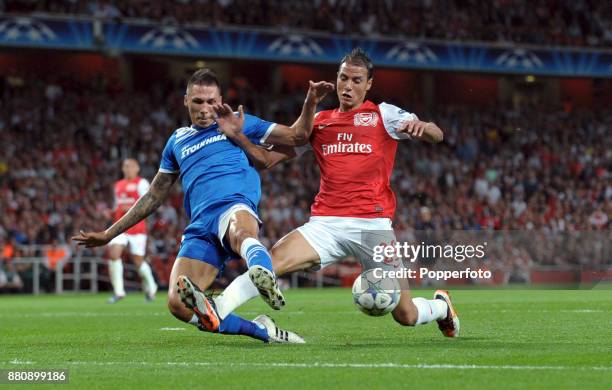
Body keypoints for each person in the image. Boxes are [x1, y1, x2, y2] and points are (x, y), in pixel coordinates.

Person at [205, 48, 460, 338]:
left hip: (373, 227)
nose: (347, 86)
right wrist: (237, 135)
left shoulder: (384, 114)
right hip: (326, 224)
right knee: (271, 261)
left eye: (356, 80)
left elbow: (437, 135)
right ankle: (218, 308)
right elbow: (265, 160)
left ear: (369, 84)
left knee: (406, 314)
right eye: (343, 78)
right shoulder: (319, 122)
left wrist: (423, 127)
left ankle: (441, 307)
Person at [73, 68, 330, 343]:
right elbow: (153, 195)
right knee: (179, 304)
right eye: (198, 102)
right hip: (200, 228)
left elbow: (298, 136)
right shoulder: (177, 141)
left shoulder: (240, 123)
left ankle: (261, 272)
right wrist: (110, 234)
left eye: (211, 102)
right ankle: (262, 331)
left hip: (234, 206)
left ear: (221, 100)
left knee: (241, 232)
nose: (205, 109)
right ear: (186, 100)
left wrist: (311, 101)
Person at [104, 160, 158, 303]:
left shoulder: (142, 183)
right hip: (120, 227)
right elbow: (117, 206)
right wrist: (111, 212)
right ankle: (119, 292)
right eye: (125, 166)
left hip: (137, 227)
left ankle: (152, 287)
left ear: (137, 168)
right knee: (114, 252)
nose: (128, 169)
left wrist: (132, 209)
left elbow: (148, 203)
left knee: (138, 260)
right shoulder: (118, 185)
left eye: (131, 166)